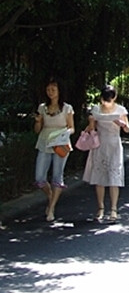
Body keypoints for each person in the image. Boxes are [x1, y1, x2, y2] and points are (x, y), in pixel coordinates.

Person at [83, 85, 129, 222]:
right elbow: (91, 129)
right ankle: (101, 208)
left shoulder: (120, 110)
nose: (106, 103)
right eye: (104, 100)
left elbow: (127, 129)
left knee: (114, 177)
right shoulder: (96, 109)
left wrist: (121, 123)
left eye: (109, 100)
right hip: (100, 144)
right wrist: (91, 121)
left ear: (114, 98)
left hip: (114, 145)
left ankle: (114, 209)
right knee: (99, 176)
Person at [33, 77, 75, 222]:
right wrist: (38, 122)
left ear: (59, 91)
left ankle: (51, 208)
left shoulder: (67, 108)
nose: (50, 92)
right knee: (39, 177)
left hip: (61, 143)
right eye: (48, 89)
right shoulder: (42, 107)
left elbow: (72, 127)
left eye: (53, 89)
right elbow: (37, 130)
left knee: (57, 176)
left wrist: (65, 134)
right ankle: (51, 196)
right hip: (45, 142)